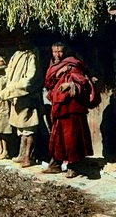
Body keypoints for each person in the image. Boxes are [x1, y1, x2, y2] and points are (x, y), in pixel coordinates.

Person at [42, 43, 96, 178]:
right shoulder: (54, 66)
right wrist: (59, 75)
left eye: (60, 52)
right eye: (54, 51)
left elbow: (82, 80)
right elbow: (48, 82)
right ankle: (55, 164)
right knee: (57, 137)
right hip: (59, 105)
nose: (57, 55)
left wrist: (70, 85)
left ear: (65, 52)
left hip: (72, 107)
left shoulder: (72, 64)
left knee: (72, 137)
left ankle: (73, 166)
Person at [0, 39, 41, 167]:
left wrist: (11, 91)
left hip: (25, 96)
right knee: (20, 128)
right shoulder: (16, 55)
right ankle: (21, 154)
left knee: (28, 127)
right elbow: (9, 74)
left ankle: (29, 156)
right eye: (19, 41)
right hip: (15, 97)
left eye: (24, 42)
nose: (21, 43)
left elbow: (28, 80)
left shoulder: (31, 57)